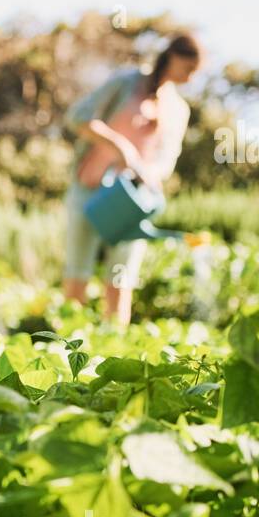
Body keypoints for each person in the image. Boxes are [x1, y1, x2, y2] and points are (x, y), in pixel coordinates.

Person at [61, 34, 201, 326]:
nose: (191, 76)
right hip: (90, 184)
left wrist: (149, 172)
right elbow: (78, 117)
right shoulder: (126, 83)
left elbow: (167, 159)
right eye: (188, 67)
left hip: (130, 199)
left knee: (121, 276)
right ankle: (68, 343)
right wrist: (120, 146)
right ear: (173, 56)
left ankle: (114, 346)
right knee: (78, 269)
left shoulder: (178, 109)